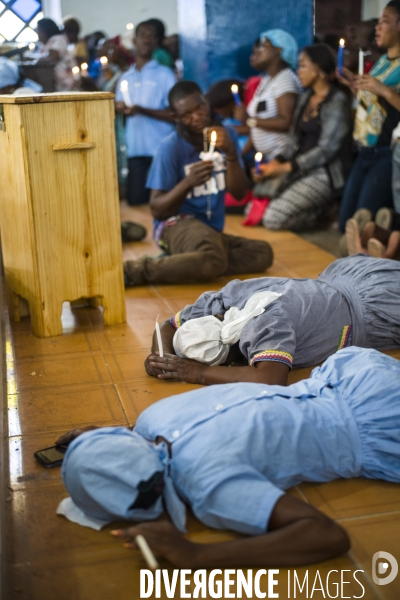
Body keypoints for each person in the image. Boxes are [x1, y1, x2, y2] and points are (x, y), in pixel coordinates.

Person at [58, 346, 400, 568]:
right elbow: (328, 536)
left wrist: (198, 555)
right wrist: (195, 556)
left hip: (353, 386)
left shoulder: (159, 432)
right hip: (372, 404)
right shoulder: (204, 479)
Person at [144, 254, 400, 387]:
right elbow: (168, 326)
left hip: (374, 307)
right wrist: (163, 359)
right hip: (346, 277)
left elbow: (269, 379)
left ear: (231, 360)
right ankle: (376, 251)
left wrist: (198, 372)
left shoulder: (265, 324)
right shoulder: (223, 301)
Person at [123, 81, 273, 286]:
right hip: (174, 225)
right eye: (186, 115)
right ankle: (135, 271)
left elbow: (239, 194)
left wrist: (230, 153)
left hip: (210, 230)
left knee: (262, 253)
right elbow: (157, 210)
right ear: (175, 118)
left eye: (199, 108)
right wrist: (188, 182)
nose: (196, 117)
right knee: (214, 256)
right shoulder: (171, 147)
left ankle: (192, 262)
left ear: (206, 102)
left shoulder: (226, 135)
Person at [248, 44, 353, 231]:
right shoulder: (305, 99)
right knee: (253, 211)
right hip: (299, 168)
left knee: (273, 219)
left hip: (324, 173)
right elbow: (292, 140)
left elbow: (327, 150)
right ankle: (317, 210)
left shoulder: (337, 101)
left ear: (319, 69)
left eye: (303, 66)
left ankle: (322, 215)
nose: (298, 72)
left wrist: (288, 167)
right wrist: (276, 163)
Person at [338, 1, 400, 232]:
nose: (378, 27)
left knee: (364, 225)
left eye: (385, 21)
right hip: (363, 149)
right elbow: (373, 103)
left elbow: (384, 95)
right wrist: (353, 85)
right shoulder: (383, 62)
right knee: (346, 223)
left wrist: (382, 89)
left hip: (384, 152)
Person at [115, 21, 176, 206]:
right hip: (136, 148)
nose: (146, 41)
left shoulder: (165, 74)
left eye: (152, 37)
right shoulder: (125, 77)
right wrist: (120, 108)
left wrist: (142, 110)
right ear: (135, 40)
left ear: (157, 42)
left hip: (160, 147)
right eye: (143, 36)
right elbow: (120, 105)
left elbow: (174, 114)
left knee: (161, 201)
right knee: (135, 200)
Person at [233, 29, 301, 162]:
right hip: (267, 158)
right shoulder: (267, 80)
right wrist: (240, 156)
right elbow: (258, 125)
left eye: (263, 46)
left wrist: (249, 120)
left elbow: (287, 122)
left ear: (280, 50)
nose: (257, 50)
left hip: (281, 158)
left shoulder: (285, 79)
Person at [36, 18, 75, 92]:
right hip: (53, 83)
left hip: (66, 83)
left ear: (46, 30)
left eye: (39, 30)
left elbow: (51, 58)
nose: (38, 33)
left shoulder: (58, 39)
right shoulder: (43, 44)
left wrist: (33, 59)